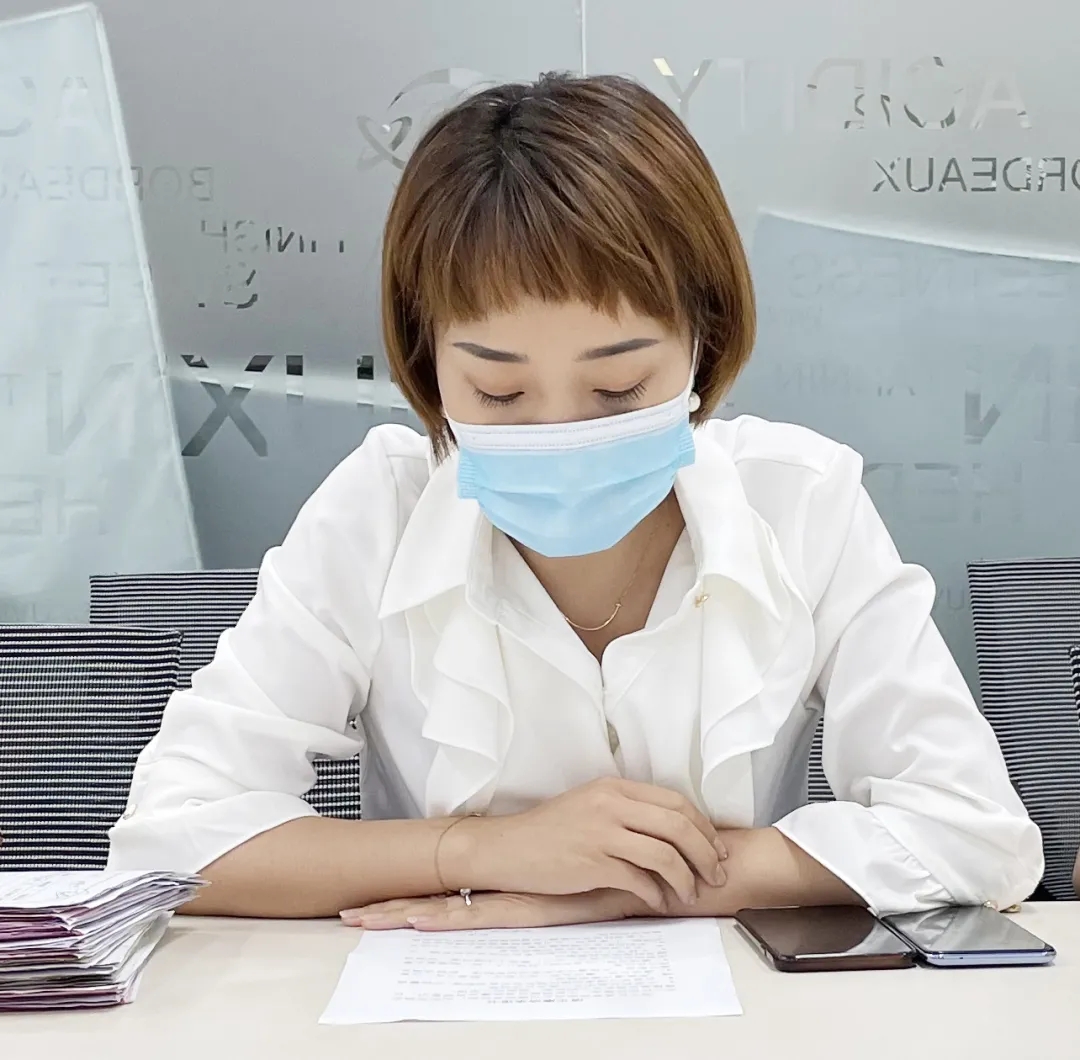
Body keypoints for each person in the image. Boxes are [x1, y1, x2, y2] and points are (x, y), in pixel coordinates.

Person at [107, 73, 1043, 930]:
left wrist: (619, 886)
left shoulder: (799, 500)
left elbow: (979, 836)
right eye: (499, 392)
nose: (557, 430)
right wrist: (482, 854)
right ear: (429, 364)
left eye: (619, 388)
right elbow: (168, 839)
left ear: (702, 342)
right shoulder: (381, 507)